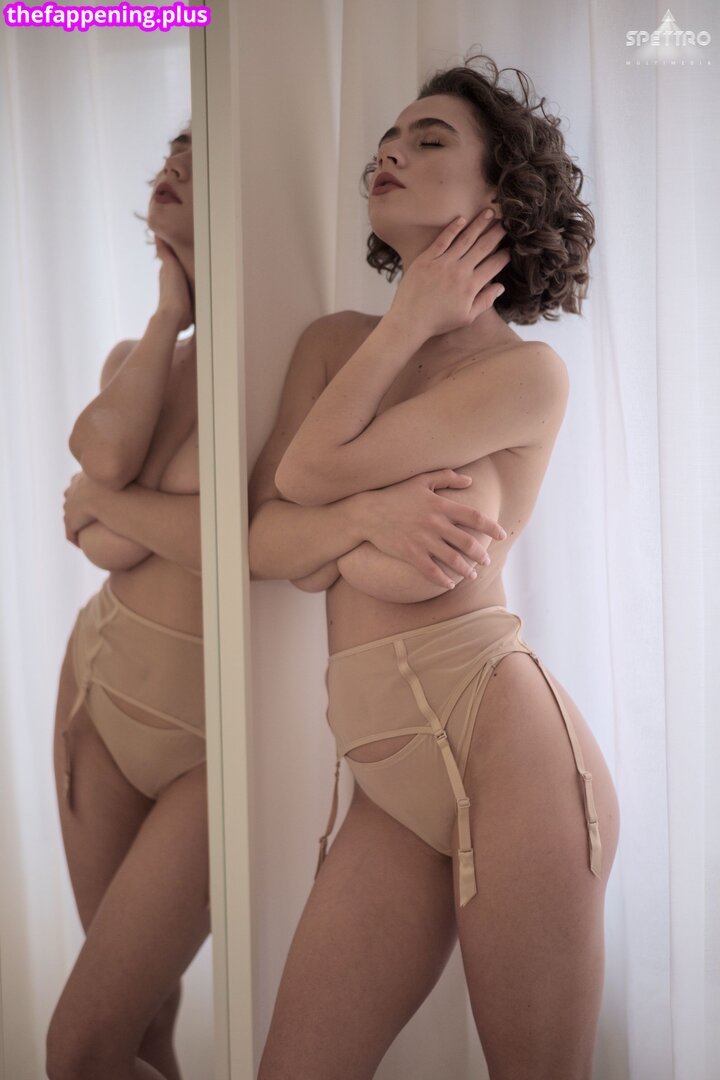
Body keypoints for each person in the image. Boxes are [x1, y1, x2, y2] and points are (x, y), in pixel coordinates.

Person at [249, 54, 620, 1079]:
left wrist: (329, 522)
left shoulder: (525, 375)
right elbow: (265, 539)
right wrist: (367, 510)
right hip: (389, 780)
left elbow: (308, 482)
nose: (391, 153)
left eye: (429, 139)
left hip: (509, 751)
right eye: (387, 139)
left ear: (500, 195)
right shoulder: (334, 346)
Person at [46, 127, 209, 1080]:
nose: (173, 166)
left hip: (205, 747)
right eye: (170, 155)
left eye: (197, 156)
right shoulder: (136, 361)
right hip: (99, 696)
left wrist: (114, 511)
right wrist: (168, 314)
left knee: (83, 1048)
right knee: (140, 1033)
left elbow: (217, 542)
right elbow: (101, 487)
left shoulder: (271, 361)